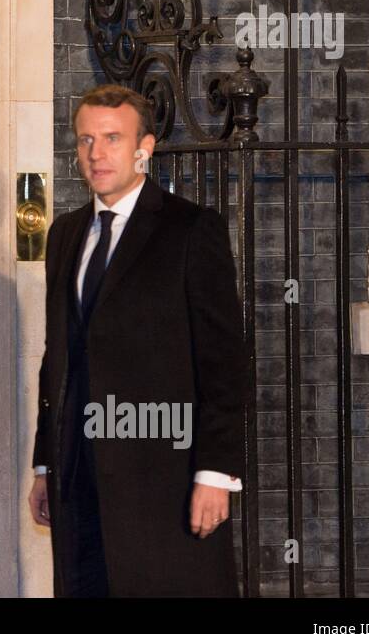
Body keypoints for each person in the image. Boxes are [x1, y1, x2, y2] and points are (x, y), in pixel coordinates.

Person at [28, 84, 245, 597]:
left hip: (163, 472)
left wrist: (215, 472)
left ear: (144, 148)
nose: (96, 153)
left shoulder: (191, 230)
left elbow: (223, 362)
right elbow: (55, 357)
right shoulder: (64, 233)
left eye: (111, 138)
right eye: (85, 140)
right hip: (78, 470)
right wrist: (45, 463)